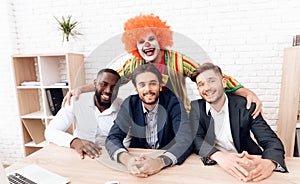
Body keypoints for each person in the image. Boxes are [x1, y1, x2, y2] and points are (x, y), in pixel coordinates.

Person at [63, 13, 262, 117]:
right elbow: (110, 79)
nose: (147, 44)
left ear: (161, 40)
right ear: (135, 46)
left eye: (151, 39)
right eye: (141, 42)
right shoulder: (134, 63)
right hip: (150, 118)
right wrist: (80, 89)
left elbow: (209, 76)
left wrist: (245, 91)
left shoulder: (178, 59)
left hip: (182, 117)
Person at [189, 63, 288, 182]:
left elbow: (270, 140)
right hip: (216, 167)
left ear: (224, 83)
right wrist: (217, 155)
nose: (207, 88)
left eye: (211, 81)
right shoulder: (196, 107)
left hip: (246, 166)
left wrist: (270, 162)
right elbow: (196, 139)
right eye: (201, 84)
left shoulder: (245, 106)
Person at [105, 63, 193, 178]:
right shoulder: (130, 104)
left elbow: (185, 140)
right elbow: (112, 138)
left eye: (153, 83)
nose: (148, 89)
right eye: (142, 85)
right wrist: (127, 160)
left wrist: (159, 162)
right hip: (138, 162)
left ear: (160, 86)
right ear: (136, 89)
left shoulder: (173, 103)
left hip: (167, 166)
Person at [45, 68, 129, 159]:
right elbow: (50, 132)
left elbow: (126, 144)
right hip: (79, 155)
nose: (108, 90)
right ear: (95, 84)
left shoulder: (124, 109)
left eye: (114, 87)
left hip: (108, 157)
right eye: (103, 84)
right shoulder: (77, 101)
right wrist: (75, 141)